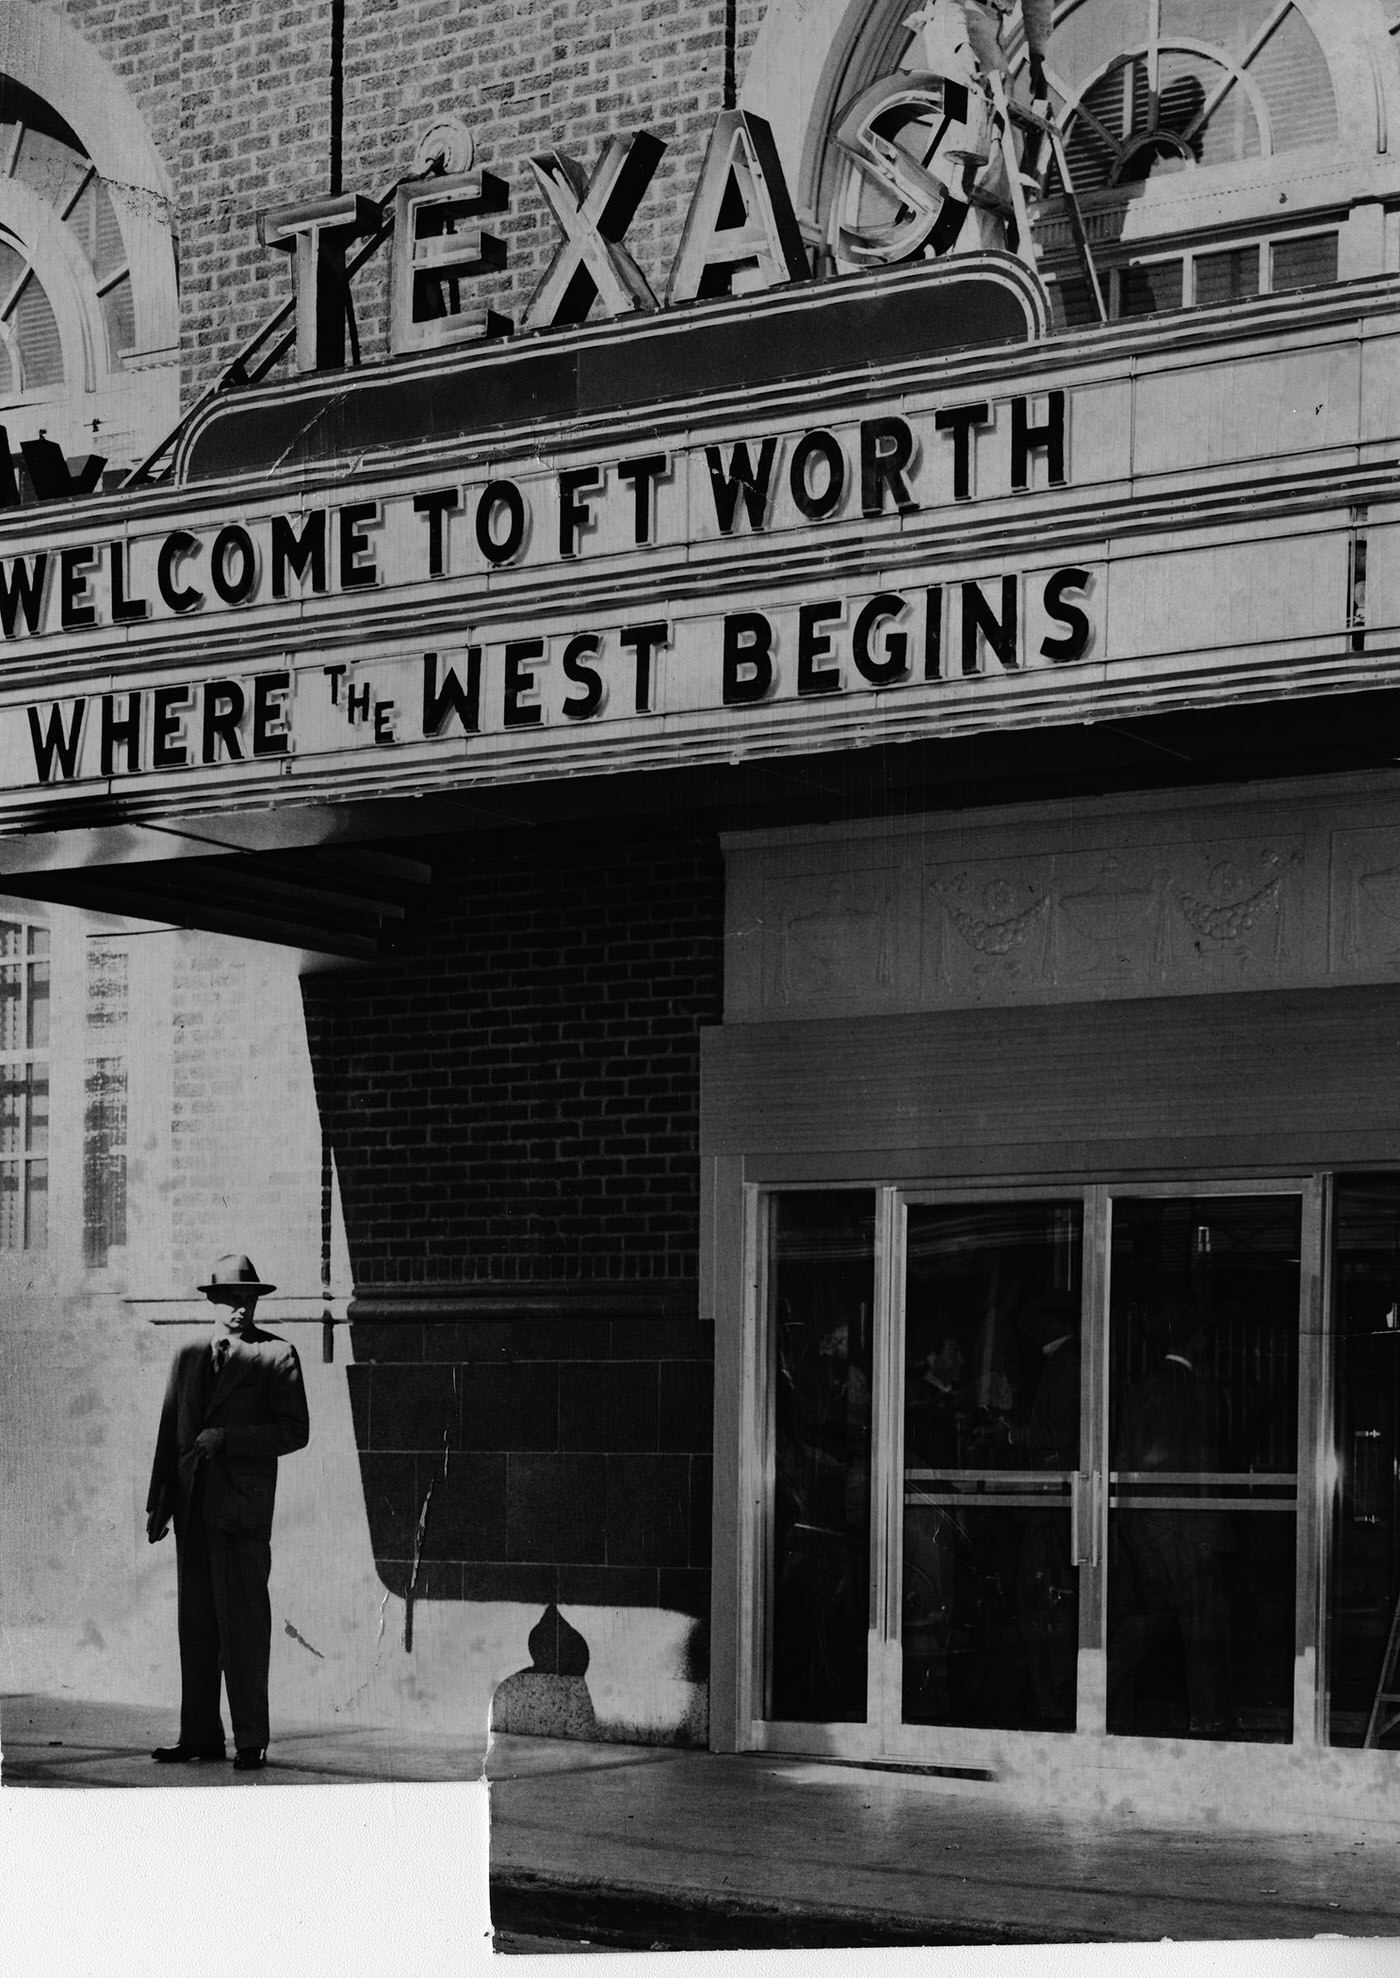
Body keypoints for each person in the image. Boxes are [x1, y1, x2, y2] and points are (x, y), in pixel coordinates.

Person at [146, 1252, 310, 1771]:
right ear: (212, 1300)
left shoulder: (277, 1355)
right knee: (195, 1627)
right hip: (193, 1511)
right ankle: (199, 1736)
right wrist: (160, 1502)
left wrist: (230, 1439)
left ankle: (251, 1740)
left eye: (248, 1299)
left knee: (242, 1625)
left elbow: (294, 1431)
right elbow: (170, 1431)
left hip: (241, 1512)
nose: (240, 1308)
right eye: (231, 1298)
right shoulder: (188, 1355)